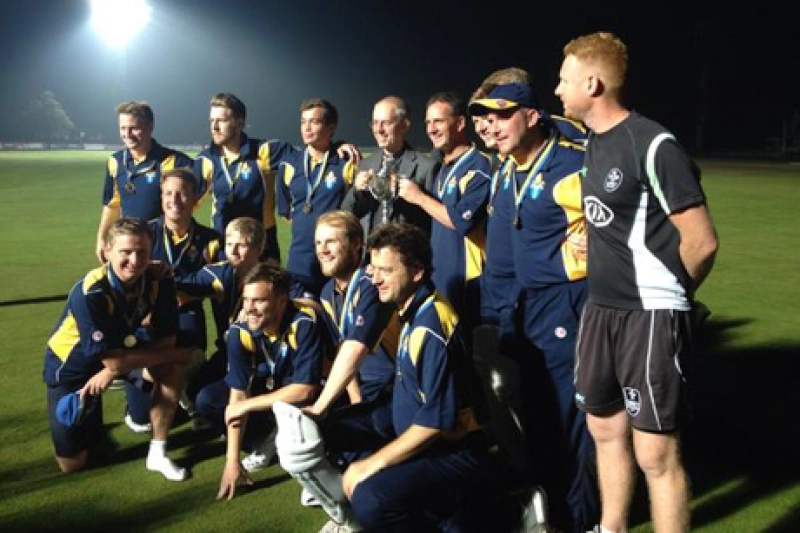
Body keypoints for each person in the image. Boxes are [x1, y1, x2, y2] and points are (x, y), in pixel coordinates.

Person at [556, 32, 719, 533]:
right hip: (599, 311)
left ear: (593, 82)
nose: (557, 89)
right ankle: (611, 527)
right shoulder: (593, 143)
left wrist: (672, 299)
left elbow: (702, 241)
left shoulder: (653, 143)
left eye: (563, 80)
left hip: (649, 314)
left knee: (655, 453)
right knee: (604, 430)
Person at [273, 222, 489, 533]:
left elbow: (434, 425)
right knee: (330, 430)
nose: (373, 279)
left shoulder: (431, 326)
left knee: (371, 498)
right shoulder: (410, 309)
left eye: (385, 271)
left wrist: (372, 465)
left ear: (416, 272)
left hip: (454, 453)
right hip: (412, 427)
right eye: (372, 269)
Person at [470, 80, 599, 533]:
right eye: (486, 115)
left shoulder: (574, 165)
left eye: (503, 114)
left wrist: (599, 244)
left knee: (571, 421)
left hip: (566, 306)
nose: (492, 124)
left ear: (531, 116)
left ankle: (580, 518)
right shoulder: (507, 167)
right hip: (523, 309)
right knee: (539, 417)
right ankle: (550, 509)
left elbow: (634, 219)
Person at [44, 217, 191, 480]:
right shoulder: (90, 292)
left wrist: (115, 371)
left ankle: (157, 453)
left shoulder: (159, 279)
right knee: (73, 463)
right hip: (73, 368)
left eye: (142, 252)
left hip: (120, 354)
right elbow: (125, 360)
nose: (134, 261)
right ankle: (90, 406)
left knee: (169, 369)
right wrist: (173, 355)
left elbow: (165, 340)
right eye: (126, 252)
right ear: (107, 250)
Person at [213, 261, 329, 500]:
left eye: (259, 301)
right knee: (209, 400)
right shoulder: (240, 330)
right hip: (275, 385)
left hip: (315, 392)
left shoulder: (304, 322)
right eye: (246, 300)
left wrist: (247, 405)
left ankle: (317, 462)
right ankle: (269, 439)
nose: (249, 309)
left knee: (300, 408)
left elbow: (305, 390)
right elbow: (238, 393)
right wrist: (232, 460)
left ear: (281, 301)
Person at [122, 168, 222, 433]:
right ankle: (131, 376)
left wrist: (184, 292)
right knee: (141, 421)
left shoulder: (210, 240)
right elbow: (123, 281)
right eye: (168, 193)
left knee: (188, 360)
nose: (174, 200)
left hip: (187, 317)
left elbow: (218, 286)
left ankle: (184, 393)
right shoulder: (146, 235)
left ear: (195, 197)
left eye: (182, 193)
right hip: (146, 320)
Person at [395, 92, 492, 333]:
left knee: (468, 351)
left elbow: (462, 222)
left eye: (438, 121)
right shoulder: (440, 165)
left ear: (459, 123)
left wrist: (418, 197)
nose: (431, 129)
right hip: (440, 273)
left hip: (467, 280)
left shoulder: (479, 167)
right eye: (428, 122)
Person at [310, 209, 398, 413]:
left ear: (357, 244)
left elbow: (356, 347)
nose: (322, 250)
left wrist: (322, 408)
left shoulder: (374, 283)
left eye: (331, 241)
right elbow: (343, 348)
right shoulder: (327, 293)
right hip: (362, 386)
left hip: (392, 385)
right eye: (318, 243)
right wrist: (355, 401)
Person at [174, 217, 265, 408]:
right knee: (194, 390)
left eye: (241, 245)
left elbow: (303, 303)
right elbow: (183, 284)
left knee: (208, 399)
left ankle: (258, 424)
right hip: (228, 352)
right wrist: (155, 273)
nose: (232, 251)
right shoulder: (219, 273)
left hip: (261, 356)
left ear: (258, 249)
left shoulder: (271, 280)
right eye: (229, 244)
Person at [194, 93, 295, 262]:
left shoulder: (265, 151)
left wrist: (337, 145)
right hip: (224, 247)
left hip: (262, 247)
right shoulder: (206, 160)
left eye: (221, 121)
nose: (215, 127)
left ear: (239, 123)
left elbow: (311, 157)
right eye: (212, 121)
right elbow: (184, 204)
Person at [277, 99, 357, 298]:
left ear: (331, 127)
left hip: (336, 261)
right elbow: (288, 213)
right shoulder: (288, 164)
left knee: (335, 323)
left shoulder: (345, 162)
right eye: (304, 122)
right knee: (302, 323)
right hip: (299, 263)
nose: (307, 127)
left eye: (314, 122)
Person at [95, 101, 193, 262]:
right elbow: (111, 205)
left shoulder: (174, 162)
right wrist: (102, 239)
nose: (127, 134)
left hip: (162, 244)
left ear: (150, 127)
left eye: (134, 128)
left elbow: (192, 200)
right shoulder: (115, 161)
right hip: (127, 243)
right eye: (123, 128)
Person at [341, 95, 438, 237]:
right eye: (375, 123)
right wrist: (356, 191)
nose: (379, 130)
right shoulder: (365, 164)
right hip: (371, 253)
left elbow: (434, 222)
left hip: (406, 253)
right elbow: (346, 214)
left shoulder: (427, 167)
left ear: (404, 125)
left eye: (385, 123)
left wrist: (416, 197)